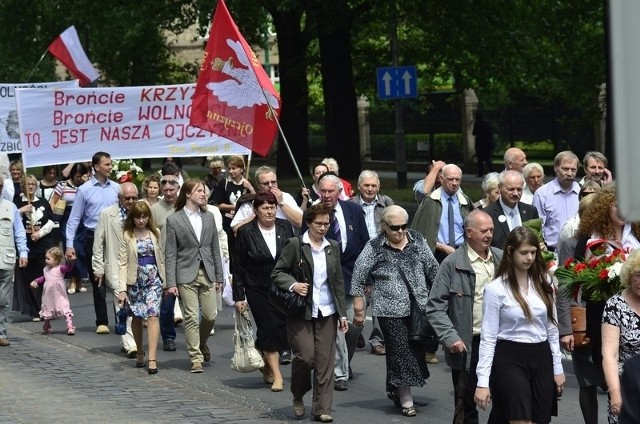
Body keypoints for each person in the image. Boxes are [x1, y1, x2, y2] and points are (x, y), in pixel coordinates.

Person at [351, 205, 438, 417]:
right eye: (395, 227)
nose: (400, 231)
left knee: (416, 350)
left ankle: (396, 388)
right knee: (400, 351)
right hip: (389, 308)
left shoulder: (417, 240)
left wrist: (441, 298)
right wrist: (359, 305)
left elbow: (433, 268)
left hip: (418, 306)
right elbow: (358, 275)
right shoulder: (375, 246)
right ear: (384, 226)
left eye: (404, 226)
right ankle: (407, 399)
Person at [474, 227, 564, 424]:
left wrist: (558, 368)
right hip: (509, 356)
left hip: (541, 356)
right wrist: (482, 382)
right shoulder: (496, 289)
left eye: (533, 252)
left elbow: (551, 327)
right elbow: (488, 337)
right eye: (524, 252)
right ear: (510, 252)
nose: (529, 257)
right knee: (520, 419)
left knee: (540, 419)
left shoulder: (545, 281)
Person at [272, 202, 349, 423]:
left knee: (325, 362)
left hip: (327, 311)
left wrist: (343, 314)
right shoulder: (296, 244)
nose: (323, 227)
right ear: (308, 223)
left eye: (327, 223)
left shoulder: (332, 246)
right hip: (301, 311)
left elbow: (337, 282)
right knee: (305, 358)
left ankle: (321, 409)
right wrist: (293, 285)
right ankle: (298, 394)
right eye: (318, 223)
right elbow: (278, 272)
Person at [426, 210, 503, 424]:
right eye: (484, 231)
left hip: (500, 341)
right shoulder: (452, 263)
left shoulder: (501, 258)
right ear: (469, 232)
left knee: (504, 399)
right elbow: (434, 306)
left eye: (491, 230)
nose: (489, 235)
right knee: (468, 404)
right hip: (468, 344)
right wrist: (451, 338)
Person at [233, 192, 294, 391]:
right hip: (256, 287)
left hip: (282, 286)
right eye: (265, 208)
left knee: (282, 328)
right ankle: (277, 376)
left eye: (272, 207)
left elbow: (294, 257)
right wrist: (239, 296)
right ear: (256, 211)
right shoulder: (246, 232)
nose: (269, 211)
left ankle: (264, 354)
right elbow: (239, 265)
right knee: (268, 327)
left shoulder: (285, 227)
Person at [315, 172, 369, 390]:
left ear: (340, 192)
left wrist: (368, 277)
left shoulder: (354, 211)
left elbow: (366, 245)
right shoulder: (313, 213)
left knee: (356, 325)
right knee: (338, 327)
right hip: (326, 280)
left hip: (353, 276)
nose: (327, 195)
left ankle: (345, 361)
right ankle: (339, 374)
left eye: (331, 191)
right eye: (323, 191)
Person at [164, 178, 223, 374]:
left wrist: (220, 277)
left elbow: (215, 249)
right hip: (185, 273)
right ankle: (195, 357)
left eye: (204, 191)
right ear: (188, 194)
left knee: (210, 315)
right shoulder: (174, 220)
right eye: (199, 191)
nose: (203, 194)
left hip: (207, 272)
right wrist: (171, 283)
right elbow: (170, 253)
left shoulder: (209, 217)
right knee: (190, 316)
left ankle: (202, 343)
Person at [65, 151, 119, 334]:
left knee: (118, 278)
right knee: (98, 279)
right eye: (107, 164)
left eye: (111, 164)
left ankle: (122, 318)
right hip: (93, 237)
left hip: (115, 237)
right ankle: (102, 321)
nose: (110, 167)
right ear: (96, 167)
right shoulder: (84, 190)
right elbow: (74, 219)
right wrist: (69, 244)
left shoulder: (117, 189)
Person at [118, 202, 165, 375]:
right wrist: (122, 288)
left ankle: (152, 357)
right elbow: (122, 262)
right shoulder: (127, 235)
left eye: (144, 216)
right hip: (135, 279)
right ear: (132, 218)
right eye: (137, 217)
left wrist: (167, 281)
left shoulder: (155, 233)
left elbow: (161, 257)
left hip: (153, 278)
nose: (141, 220)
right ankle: (139, 351)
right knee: (137, 317)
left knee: (153, 315)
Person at [92, 182, 139, 355]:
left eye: (134, 197)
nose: (131, 201)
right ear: (120, 198)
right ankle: (130, 344)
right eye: (127, 198)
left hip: (137, 267)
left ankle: (129, 337)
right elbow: (98, 242)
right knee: (122, 304)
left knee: (136, 308)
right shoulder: (107, 214)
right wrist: (98, 268)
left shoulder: (141, 212)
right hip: (115, 266)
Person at [351, 170, 394, 355]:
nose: (370, 189)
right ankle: (355, 331)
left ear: (379, 186)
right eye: (366, 185)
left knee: (380, 301)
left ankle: (377, 340)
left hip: (383, 258)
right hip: (358, 259)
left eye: (373, 185)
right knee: (359, 301)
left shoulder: (387, 203)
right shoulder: (350, 205)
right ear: (359, 186)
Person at [602, 249, 640, 423]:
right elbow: (610, 355)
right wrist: (616, 393)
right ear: (629, 275)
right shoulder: (615, 306)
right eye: (638, 275)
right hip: (627, 385)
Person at [13, 175, 56, 320]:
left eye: (33, 184)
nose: (31, 187)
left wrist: (39, 233)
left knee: (46, 278)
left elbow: (51, 221)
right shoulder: (17, 202)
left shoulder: (43, 202)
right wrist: (21, 211)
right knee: (31, 279)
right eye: (28, 184)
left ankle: (48, 307)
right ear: (23, 186)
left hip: (43, 245)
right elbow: (11, 219)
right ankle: (35, 310)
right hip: (28, 246)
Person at [411, 164, 474, 263]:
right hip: (437, 253)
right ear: (441, 178)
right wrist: (439, 246)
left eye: (457, 180)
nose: (454, 183)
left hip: (462, 251)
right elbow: (421, 231)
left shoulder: (464, 201)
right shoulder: (430, 201)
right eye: (450, 179)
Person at [150, 173, 181, 352]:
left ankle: (198, 338)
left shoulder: (184, 206)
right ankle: (168, 337)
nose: (169, 193)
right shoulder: (155, 209)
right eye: (166, 190)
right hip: (164, 263)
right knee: (167, 306)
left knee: (193, 305)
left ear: (178, 188)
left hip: (185, 261)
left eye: (172, 189)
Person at [49, 162, 90, 294]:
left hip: (83, 219)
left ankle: (79, 280)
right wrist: (52, 216)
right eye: (77, 176)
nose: (79, 179)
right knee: (71, 249)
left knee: (81, 250)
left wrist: (86, 182)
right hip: (67, 218)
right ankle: (72, 279)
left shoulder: (87, 186)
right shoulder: (62, 185)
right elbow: (53, 201)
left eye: (81, 176)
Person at [0, 174, 28, 347]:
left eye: (0, 185)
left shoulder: (11, 207)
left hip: (6, 259)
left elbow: (19, 232)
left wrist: (23, 253)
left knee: (3, 299)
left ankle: (1, 332)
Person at [533, 150, 581, 251]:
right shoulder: (542, 194)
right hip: (552, 252)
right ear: (556, 168)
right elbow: (537, 227)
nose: (569, 173)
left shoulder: (582, 192)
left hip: (579, 250)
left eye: (573, 170)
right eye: (565, 169)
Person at [231, 166, 303, 232]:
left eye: (273, 182)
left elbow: (300, 222)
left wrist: (281, 203)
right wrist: (254, 215)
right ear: (258, 185)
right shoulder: (251, 202)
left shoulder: (286, 197)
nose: (270, 186)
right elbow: (236, 229)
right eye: (266, 183)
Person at [484, 170, 539, 250]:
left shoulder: (531, 211)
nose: (516, 193)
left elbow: (537, 239)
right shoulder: (487, 214)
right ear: (500, 188)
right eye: (511, 189)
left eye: (519, 189)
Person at [30, 247, 76, 335]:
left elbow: (68, 268)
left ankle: (69, 326)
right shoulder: (45, 270)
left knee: (64, 307)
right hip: (48, 294)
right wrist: (36, 281)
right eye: (45, 258)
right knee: (47, 308)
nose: (46, 260)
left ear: (56, 260)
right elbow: (44, 278)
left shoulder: (60, 268)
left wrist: (71, 262)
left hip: (59, 294)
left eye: (48, 259)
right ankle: (47, 326)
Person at [472, 112, 494, 176]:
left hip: (479, 143)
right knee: (487, 158)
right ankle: (492, 170)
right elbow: (490, 133)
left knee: (480, 159)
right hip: (487, 144)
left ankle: (480, 173)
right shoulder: (487, 124)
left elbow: (473, 133)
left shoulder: (477, 124)